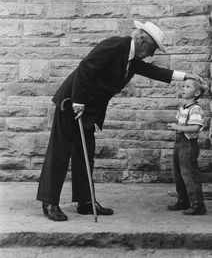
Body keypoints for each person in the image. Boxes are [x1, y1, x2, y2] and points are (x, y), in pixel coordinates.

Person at [37, 20, 195, 221]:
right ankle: (49, 202)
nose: (153, 54)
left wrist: (185, 76)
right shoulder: (116, 45)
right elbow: (85, 67)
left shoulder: (130, 59)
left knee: (84, 155)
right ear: (142, 40)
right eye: (153, 49)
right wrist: (77, 101)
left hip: (88, 111)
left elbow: (153, 71)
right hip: (71, 104)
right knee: (59, 152)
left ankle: (85, 202)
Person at [167, 76, 208, 215]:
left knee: (189, 174)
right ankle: (183, 201)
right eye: (183, 86)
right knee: (178, 173)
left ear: (196, 93)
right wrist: (176, 126)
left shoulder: (195, 109)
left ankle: (198, 205)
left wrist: (176, 127)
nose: (183, 89)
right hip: (179, 143)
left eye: (188, 87)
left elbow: (195, 128)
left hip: (188, 145)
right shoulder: (182, 108)